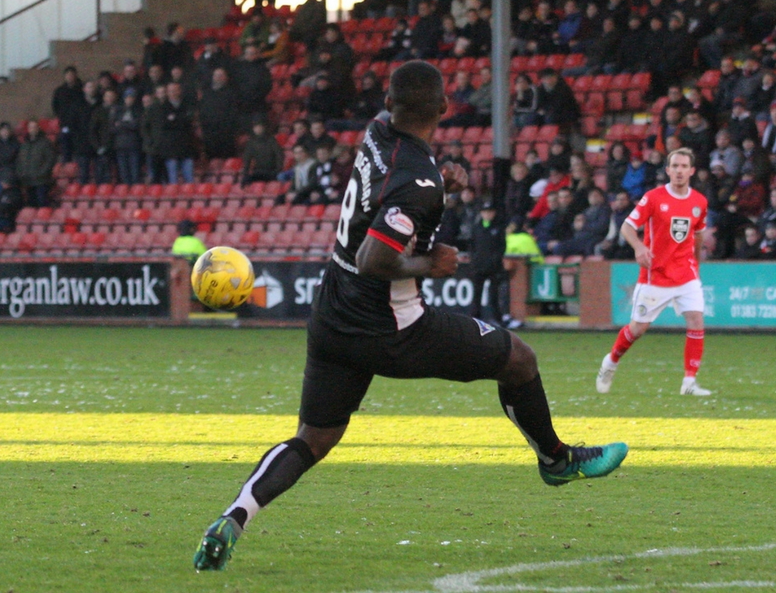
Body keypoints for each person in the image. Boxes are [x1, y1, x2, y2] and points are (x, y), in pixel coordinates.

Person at [193, 61, 627, 572]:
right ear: (444, 108)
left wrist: (439, 183)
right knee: (518, 359)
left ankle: (234, 517)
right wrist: (430, 263)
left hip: (333, 315)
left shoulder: (376, 133)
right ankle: (556, 459)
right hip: (393, 327)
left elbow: (397, 188)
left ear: (390, 103)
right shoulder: (416, 182)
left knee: (313, 438)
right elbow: (374, 259)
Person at [596, 148, 713, 397]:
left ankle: (689, 382)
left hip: (685, 274)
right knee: (637, 329)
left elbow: (699, 235)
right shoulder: (653, 197)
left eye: (684, 166)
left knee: (696, 320)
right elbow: (627, 227)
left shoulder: (699, 201)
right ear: (668, 170)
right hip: (655, 276)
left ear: (691, 171)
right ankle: (611, 362)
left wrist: (696, 265)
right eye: (675, 166)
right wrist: (639, 246)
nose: (679, 171)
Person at [468, 200, 507, 324]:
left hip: (494, 267)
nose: (487, 215)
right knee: (477, 294)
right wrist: (474, 259)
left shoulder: (499, 228)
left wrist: (495, 259)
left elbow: (502, 246)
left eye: (489, 212)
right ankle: (476, 319)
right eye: (485, 212)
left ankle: (497, 319)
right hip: (479, 266)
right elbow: (472, 245)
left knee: (494, 295)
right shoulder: (477, 228)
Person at [157, 82, 196, 184]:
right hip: (170, 148)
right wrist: (180, 121)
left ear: (179, 91)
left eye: (175, 90)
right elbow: (165, 124)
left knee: (189, 179)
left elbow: (189, 121)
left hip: (186, 146)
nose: (173, 93)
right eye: (170, 91)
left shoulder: (187, 105)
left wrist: (175, 120)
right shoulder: (163, 108)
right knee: (173, 178)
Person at [17, 120, 57, 207]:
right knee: (31, 206)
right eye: (30, 127)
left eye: (34, 127)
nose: (32, 129)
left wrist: (42, 172)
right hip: (28, 181)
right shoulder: (24, 144)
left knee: (42, 204)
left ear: (38, 128)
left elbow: (51, 159)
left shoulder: (45, 142)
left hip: (41, 181)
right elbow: (19, 160)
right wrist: (21, 173)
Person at [112, 88, 145, 185]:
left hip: (134, 145)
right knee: (123, 172)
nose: (129, 99)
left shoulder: (138, 110)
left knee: (135, 171)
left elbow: (136, 125)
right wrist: (128, 124)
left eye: (131, 97)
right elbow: (112, 128)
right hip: (120, 146)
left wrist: (121, 124)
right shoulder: (118, 111)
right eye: (127, 97)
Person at [241, 120, 284, 185]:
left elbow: (279, 155)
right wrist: (245, 174)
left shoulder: (271, 140)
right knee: (246, 181)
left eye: (259, 127)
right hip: (258, 171)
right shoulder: (251, 143)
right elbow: (247, 159)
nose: (257, 129)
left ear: (263, 127)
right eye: (255, 127)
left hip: (271, 171)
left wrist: (278, 170)